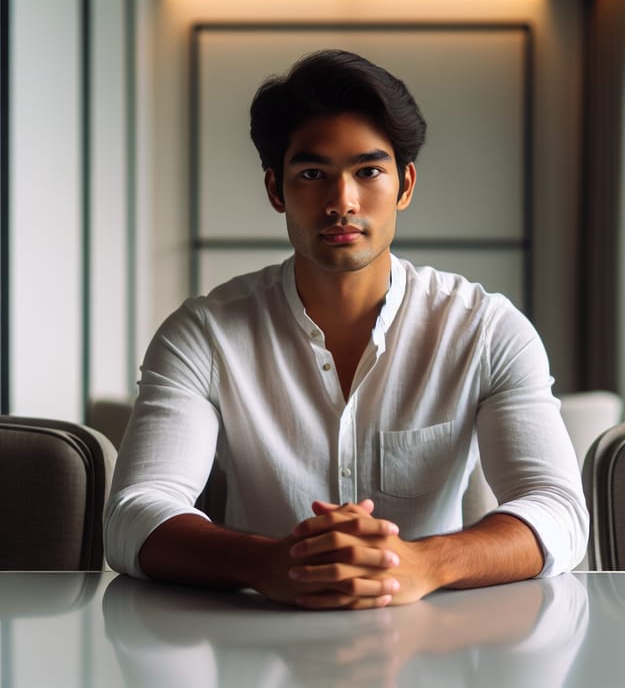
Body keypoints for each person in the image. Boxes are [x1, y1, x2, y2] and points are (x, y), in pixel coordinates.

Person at [104, 49, 588, 610]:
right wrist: (268, 563)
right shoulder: (205, 333)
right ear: (275, 189)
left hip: (434, 645)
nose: (342, 202)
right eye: (313, 174)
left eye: (368, 171)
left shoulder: (486, 329)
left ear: (404, 185)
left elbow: (558, 509)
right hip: (252, 636)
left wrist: (421, 564)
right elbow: (134, 512)